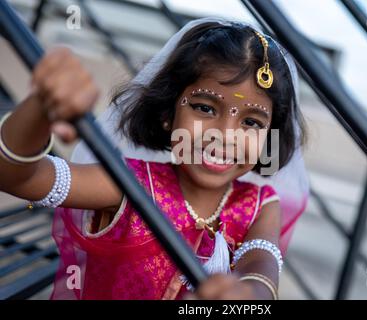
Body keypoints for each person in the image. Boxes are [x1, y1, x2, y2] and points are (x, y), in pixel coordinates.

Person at [0, 18, 308, 300]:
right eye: (204, 108)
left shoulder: (259, 205)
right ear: (166, 115)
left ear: (270, 137)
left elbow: (261, 273)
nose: (226, 135)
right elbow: (19, 176)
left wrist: (247, 296)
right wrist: (41, 108)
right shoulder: (127, 183)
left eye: (251, 122)